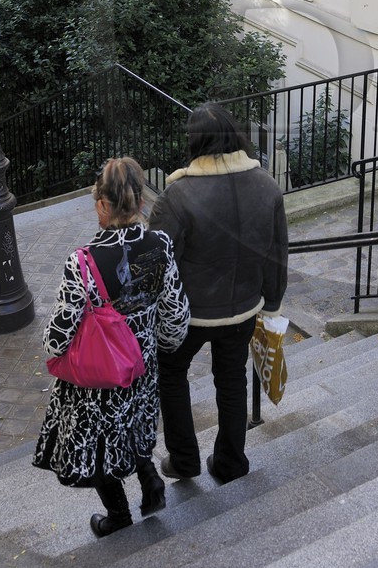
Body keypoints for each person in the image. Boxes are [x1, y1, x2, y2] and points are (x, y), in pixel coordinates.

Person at [34, 157, 190, 537]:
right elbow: (176, 316)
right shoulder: (160, 245)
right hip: (143, 365)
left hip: (101, 377)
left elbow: (57, 338)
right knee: (136, 425)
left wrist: (57, 348)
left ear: (103, 204)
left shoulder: (82, 263)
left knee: (102, 443)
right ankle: (150, 482)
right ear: (140, 202)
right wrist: (155, 347)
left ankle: (118, 515)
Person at [150, 102, 288, 485]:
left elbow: (157, 265)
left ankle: (184, 459)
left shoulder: (177, 196)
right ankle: (230, 462)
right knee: (232, 379)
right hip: (243, 309)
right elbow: (277, 253)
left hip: (189, 315)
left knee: (171, 374)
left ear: (195, 142)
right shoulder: (267, 187)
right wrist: (272, 303)